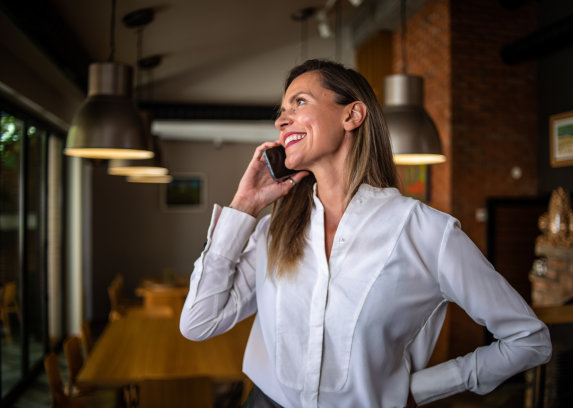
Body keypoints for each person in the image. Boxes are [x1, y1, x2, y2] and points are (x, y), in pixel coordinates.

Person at [180, 59, 551, 407]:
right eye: (281, 111)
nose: (282, 120)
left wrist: (419, 388)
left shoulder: (425, 232)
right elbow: (199, 322)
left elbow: (528, 340)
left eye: (299, 102)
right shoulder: (273, 231)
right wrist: (243, 206)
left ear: (352, 115)